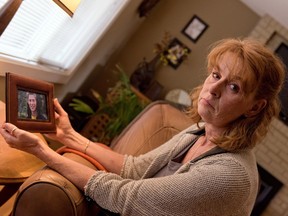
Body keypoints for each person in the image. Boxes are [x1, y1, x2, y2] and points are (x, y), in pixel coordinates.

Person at [0, 38, 285, 215]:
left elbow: (124, 196)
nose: (214, 89)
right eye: (215, 75)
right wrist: (68, 134)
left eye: (233, 87)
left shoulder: (231, 175)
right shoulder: (197, 133)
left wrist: (42, 151)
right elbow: (134, 169)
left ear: (255, 107)